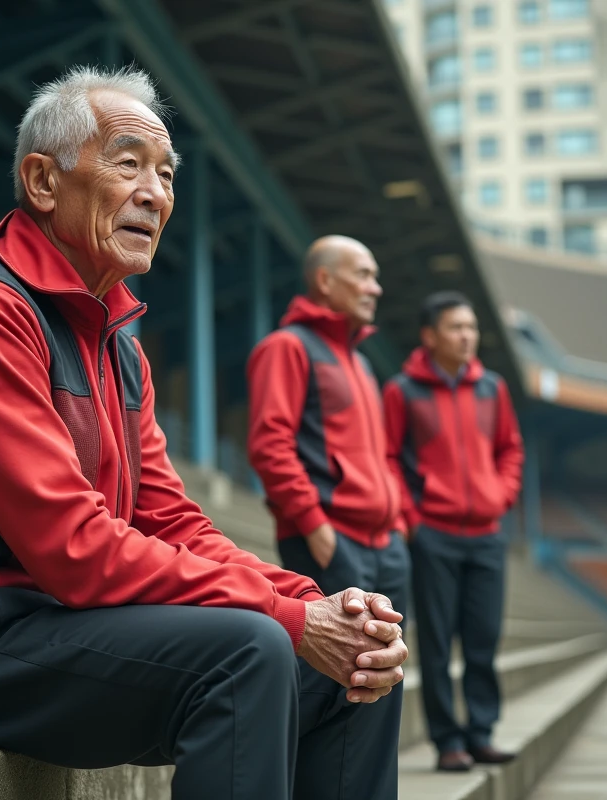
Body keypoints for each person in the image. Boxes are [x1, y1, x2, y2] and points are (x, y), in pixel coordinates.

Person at [0, 65, 408, 800]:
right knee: (249, 650)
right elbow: (72, 546)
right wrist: (291, 617)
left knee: (360, 669)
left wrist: (320, 603)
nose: (155, 192)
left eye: (167, 174)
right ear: (43, 182)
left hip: (63, 627)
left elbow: (170, 521)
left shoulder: (118, 342)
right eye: (128, 164)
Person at [246, 235, 409, 800]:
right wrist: (316, 528)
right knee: (346, 678)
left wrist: (398, 527)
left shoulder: (362, 363)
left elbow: (384, 455)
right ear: (325, 280)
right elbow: (270, 445)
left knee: (378, 682)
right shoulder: (287, 348)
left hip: (385, 543)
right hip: (331, 540)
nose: (375, 287)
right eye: (363, 274)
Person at [383, 291, 524, 773]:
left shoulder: (493, 389)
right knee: (439, 643)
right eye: (456, 328)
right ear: (430, 336)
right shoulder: (403, 391)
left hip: (487, 534)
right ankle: (448, 741)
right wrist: (413, 520)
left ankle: (481, 733)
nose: (467, 336)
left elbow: (510, 450)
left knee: (483, 639)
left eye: (472, 328)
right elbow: (388, 458)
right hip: (434, 534)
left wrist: (500, 497)